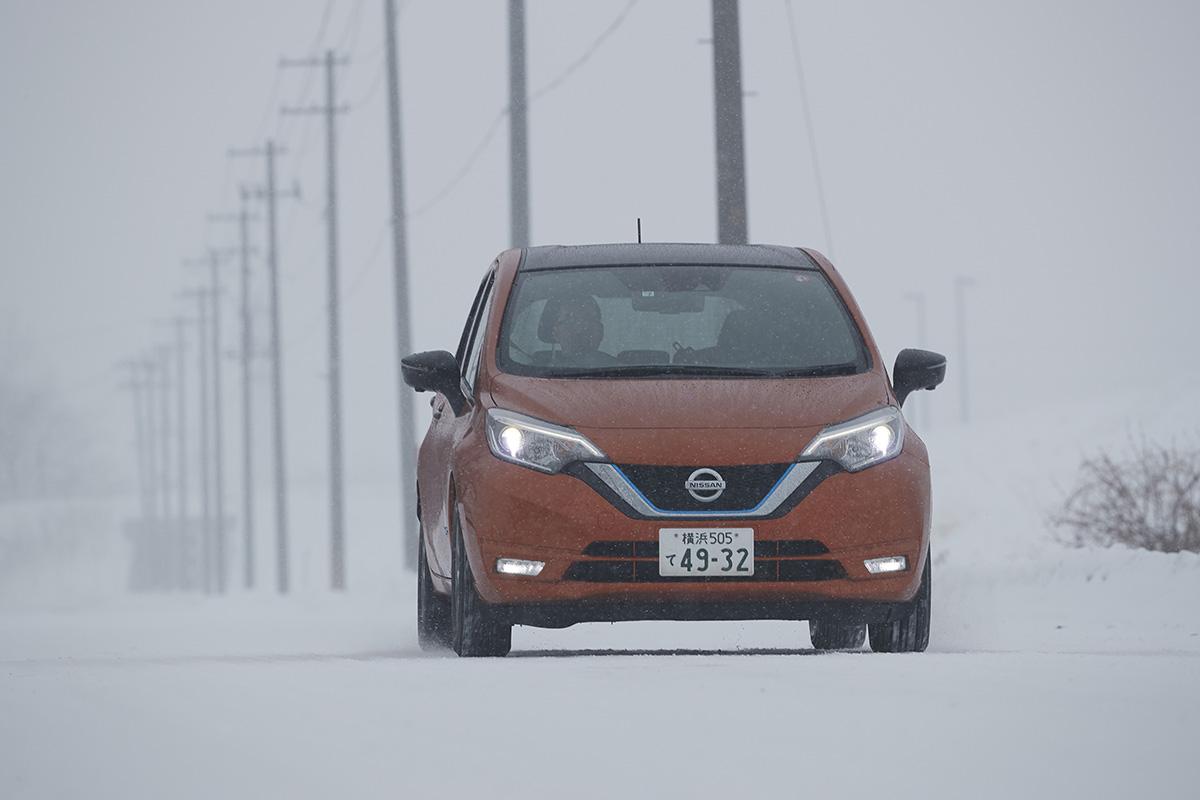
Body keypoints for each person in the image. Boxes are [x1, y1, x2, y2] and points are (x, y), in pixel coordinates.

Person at [538, 292, 617, 367]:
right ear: (555, 332)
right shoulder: (530, 374)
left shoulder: (623, 372)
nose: (579, 329)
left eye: (588, 319)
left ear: (601, 331)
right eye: (569, 321)